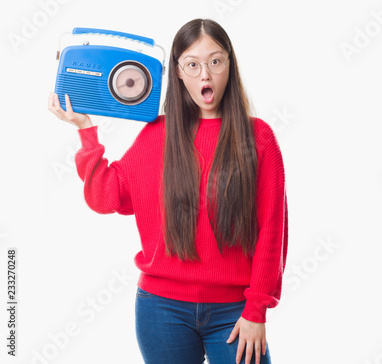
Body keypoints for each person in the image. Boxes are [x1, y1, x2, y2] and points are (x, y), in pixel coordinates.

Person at [48, 18, 288, 364]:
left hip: (236, 312)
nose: (205, 75)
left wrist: (256, 311)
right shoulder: (156, 135)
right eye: (192, 64)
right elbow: (106, 196)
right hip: (161, 311)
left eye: (215, 61)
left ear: (229, 66)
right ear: (177, 72)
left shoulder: (258, 137)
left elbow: (272, 231)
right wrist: (86, 132)